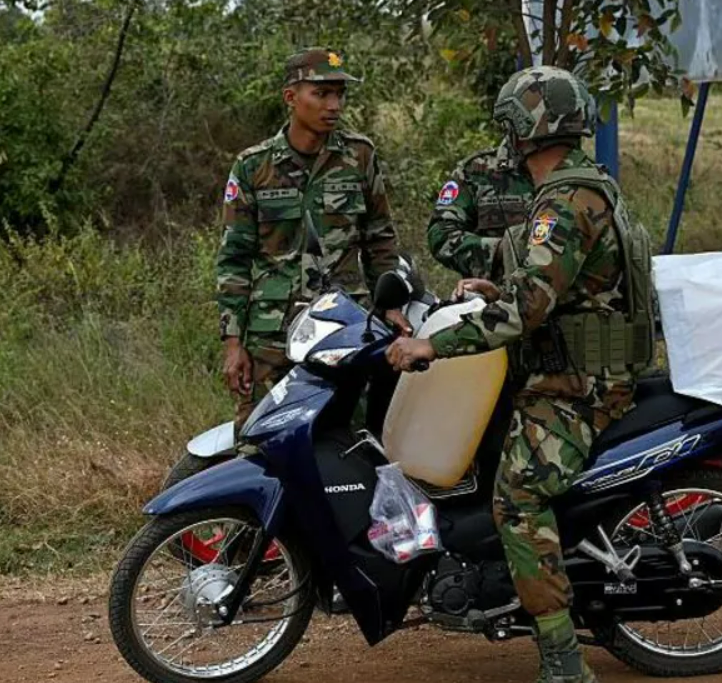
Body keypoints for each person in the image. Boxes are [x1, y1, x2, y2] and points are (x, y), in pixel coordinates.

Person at [387, 66, 654, 683]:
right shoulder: (580, 187)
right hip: (578, 367)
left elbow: (530, 308)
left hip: (579, 384)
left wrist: (434, 345)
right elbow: (555, 284)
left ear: (523, 130)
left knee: (518, 497)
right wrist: (498, 282)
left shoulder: (563, 199)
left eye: (509, 125)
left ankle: (563, 661)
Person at [216, 47, 408, 431]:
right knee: (261, 438)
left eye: (339, 94)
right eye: (321, 94)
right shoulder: (254, 166)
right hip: (272, 335)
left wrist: (390, 305)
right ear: (291, 97)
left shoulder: (359, 157)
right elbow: (234, 258)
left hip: (345, 328)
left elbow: (379, 239)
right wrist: (233, 343)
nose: (333, 105)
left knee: (350, 438)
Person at [427, 138, 535, 280]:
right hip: (495, 295)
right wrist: (501, 249)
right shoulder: (477, 170)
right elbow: (441, 233)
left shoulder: (570, 165)